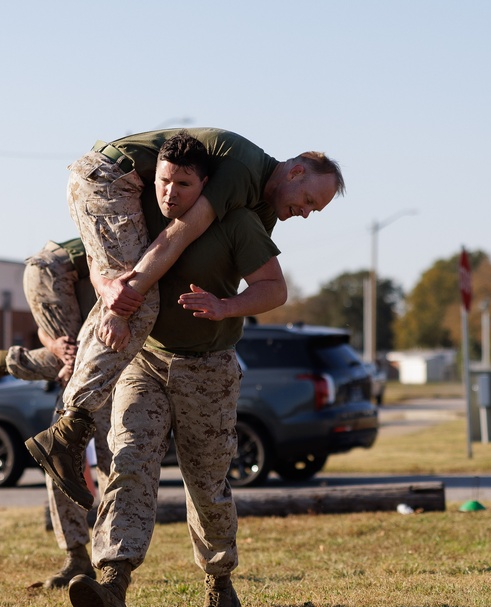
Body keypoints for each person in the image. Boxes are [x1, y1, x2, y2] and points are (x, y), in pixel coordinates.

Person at [67, 155, 343, 607]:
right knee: (129, 462)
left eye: (183, 183)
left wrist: (225, 305)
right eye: (167, 181)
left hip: (208, 369)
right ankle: (112, 581)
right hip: (147, 361)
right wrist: (110, 294)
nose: (172, 191)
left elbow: (274, 289)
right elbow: (101, 265)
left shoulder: (238, 223)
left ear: (204, 183)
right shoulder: (141, 212)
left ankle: (219, 576)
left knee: (207, 483)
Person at [26, 128, 345, 511]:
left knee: (131, 298)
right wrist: (120, 303)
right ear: (294, 172)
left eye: (315, 210)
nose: (306, 212)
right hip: (108, 176)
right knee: (136, 303)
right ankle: (68, 429)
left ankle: (68, 423)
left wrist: (225, 307)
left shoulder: (261, 204)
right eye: (308, 200)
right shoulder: (242, 171)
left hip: (114, 185)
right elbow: (180, 234)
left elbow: (263, 276)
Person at [0, 238, 109, 588]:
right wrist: (56, 343)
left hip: (61, 285)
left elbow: (53, 333)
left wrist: (55, 342)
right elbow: (55, 333)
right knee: (64, 450)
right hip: (54, 273)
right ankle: (79, 557)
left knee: (64, 448)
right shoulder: (121, 234)